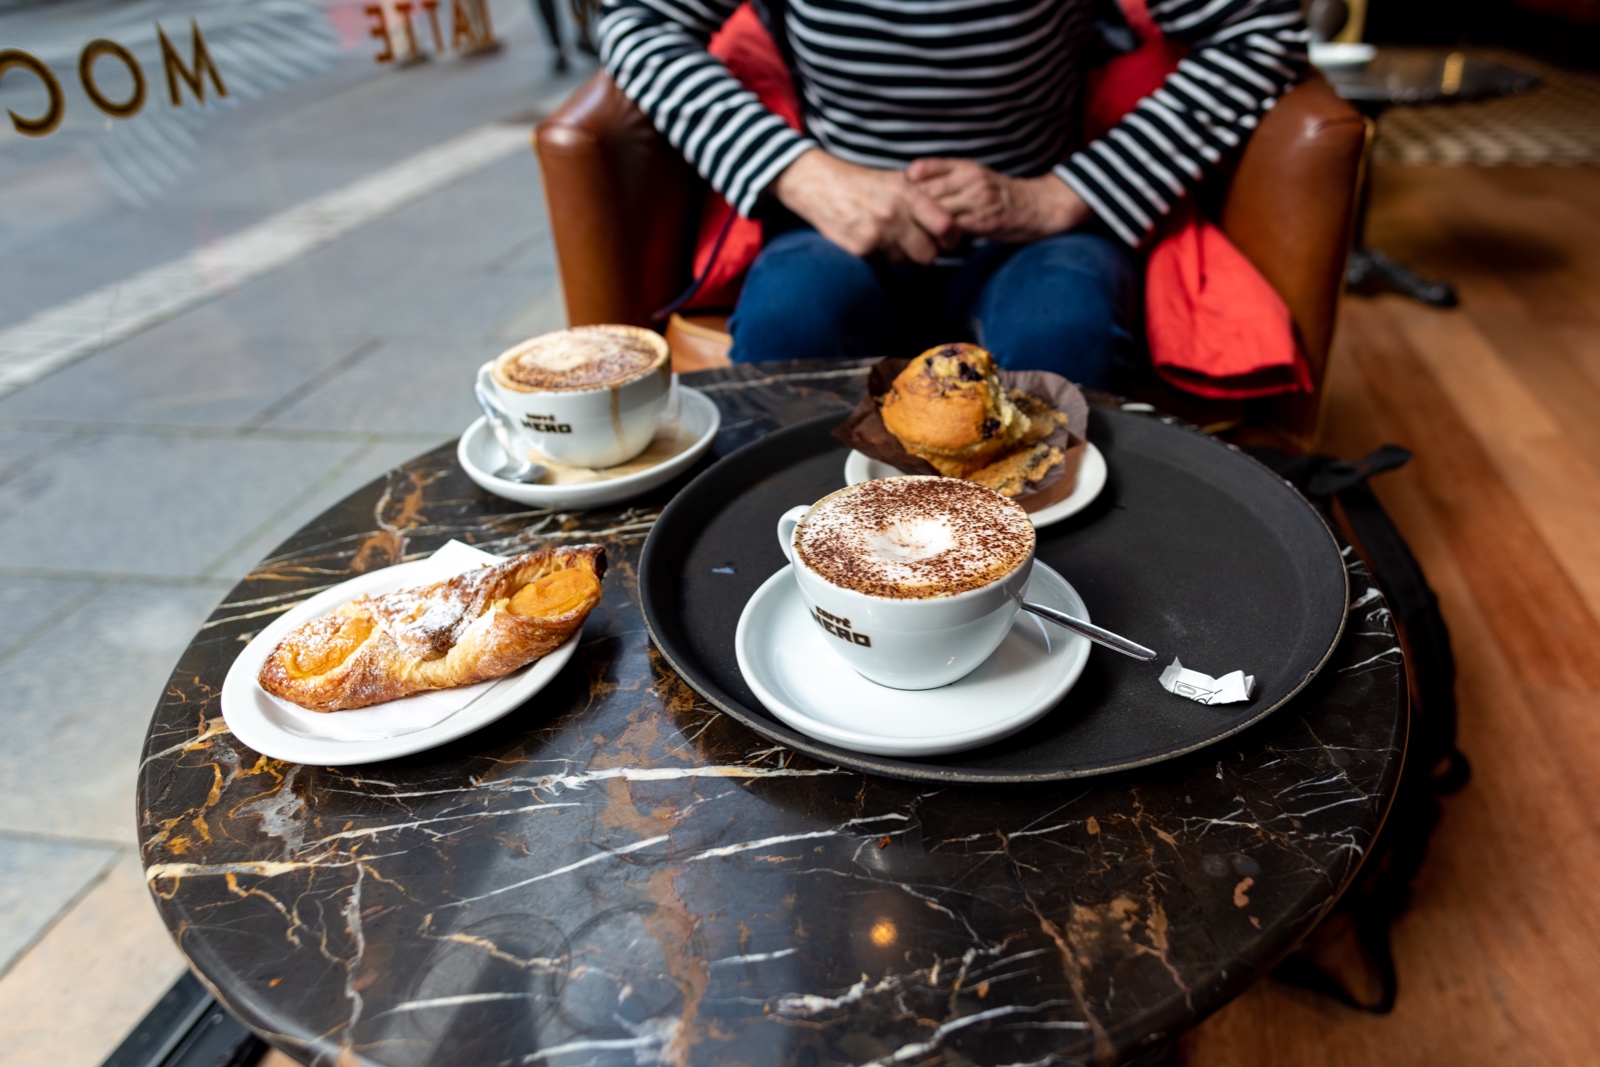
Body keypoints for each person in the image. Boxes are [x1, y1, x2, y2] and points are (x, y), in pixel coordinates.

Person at [598, 0, 1308, 389]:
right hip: (837, 225)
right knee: (789, 328)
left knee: (1062, 344)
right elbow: (636, 21)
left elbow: (1262, 30)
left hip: (1039, 227)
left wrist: (1066, 192)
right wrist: (801, 174)